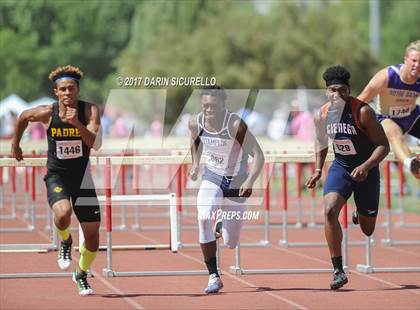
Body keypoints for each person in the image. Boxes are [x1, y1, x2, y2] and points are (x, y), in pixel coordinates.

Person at [11, 65, 102, 296]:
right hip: (57, 175)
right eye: (63, 89)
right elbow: (23, 116)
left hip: (82, 178)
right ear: (56, 92)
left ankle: (81, 274)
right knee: (62, 213)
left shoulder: (90, 111)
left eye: (71, 88)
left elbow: (95, 143)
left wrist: (77, 124)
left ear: (78, 90)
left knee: (92, 238)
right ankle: (66, 241)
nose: (67, 93)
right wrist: (15, 144)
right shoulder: (47, 113)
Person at [305, 65, 389, 290]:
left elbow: (383, 145)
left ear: (349, 90)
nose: (337, 95)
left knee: (367, 229)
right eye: (333, 90)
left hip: (366, 171)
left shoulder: (362, 111)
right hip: (341, 167)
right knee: (329, 210)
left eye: (342, 90)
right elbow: (321, 142)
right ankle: (338, 270)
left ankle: (359, 211)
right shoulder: (321, 115)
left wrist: (366, 166)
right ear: (326, 92)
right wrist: (317, 169)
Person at [188, 86, 264, 294]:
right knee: (203, 217)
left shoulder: (235, 124)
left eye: (213, 106)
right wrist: (195, 164)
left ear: (223, 104)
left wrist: (250, 181)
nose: (208, 110)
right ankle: (213, 275)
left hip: (236, 182)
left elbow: (258, 155)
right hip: (212, 176)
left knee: (231, 242)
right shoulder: (196, 122)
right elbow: (195, 143)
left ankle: (220, 224)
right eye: (205, 106)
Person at [357, 40, 420, 179]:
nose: (417, 65)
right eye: (414, 60)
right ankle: (410, 163)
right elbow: (360, 101)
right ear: (405, 60)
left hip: (411, 115)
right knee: (394, 133)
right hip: (386, 117)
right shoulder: (386, 76)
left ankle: (416, 166)